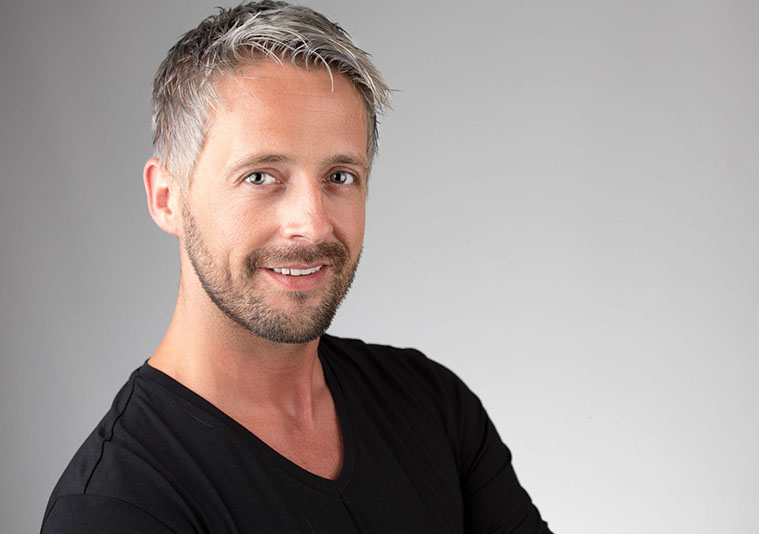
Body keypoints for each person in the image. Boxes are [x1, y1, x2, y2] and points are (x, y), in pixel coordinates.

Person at [41, 2, 552, 532]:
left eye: (340, 176)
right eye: (261, 177)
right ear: (166, 198)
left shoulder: (433, 405)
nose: (312, 224)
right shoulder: (115, 506)